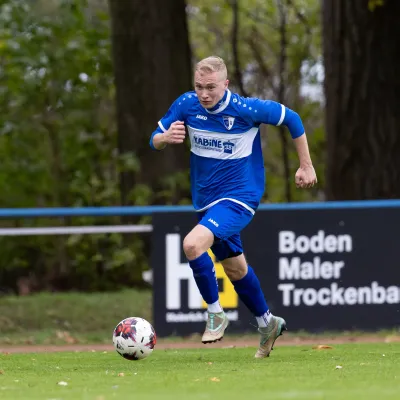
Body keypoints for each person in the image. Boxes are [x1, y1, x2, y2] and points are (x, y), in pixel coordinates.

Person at [150, 56, 317, 358]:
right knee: (235, 269)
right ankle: (267, 323)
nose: (204, 94)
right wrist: (164, 138)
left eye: (211, 87)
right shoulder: (186, 105)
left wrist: (305, 165)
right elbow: (154, 139)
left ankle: (215, 313)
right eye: (199, 86)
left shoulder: (245, 109)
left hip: (240, 197)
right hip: (206, 202)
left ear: (225, 84)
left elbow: (292, 118)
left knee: (192, 245)